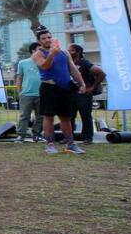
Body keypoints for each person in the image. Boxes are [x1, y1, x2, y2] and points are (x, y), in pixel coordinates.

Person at [31, 26, 85, 154]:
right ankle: (50, 144)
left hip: (65, 87)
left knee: (66, 117)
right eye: (44, 38)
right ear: (39, 41)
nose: (47, 40)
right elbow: (45, 66)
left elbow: (73, 69)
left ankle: (70, 144)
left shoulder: (64, 52)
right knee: (48, 116)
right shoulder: (37, 54)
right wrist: (51, 54)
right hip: (49, 87)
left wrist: (81, 82)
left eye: (49, 37)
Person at [67, 44, 105, 144]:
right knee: (69, 116)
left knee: (85, 116)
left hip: (83, 94)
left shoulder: (84, 63)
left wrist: (92, 87)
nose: (68, 52)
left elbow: (101, 73)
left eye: (71, 50)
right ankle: (69, 137)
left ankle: (88, 138)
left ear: (78, 52)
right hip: (71, 93)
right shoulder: (69, 63)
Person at [14, 42, 43, 142]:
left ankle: (36, 135)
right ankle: (21, 135)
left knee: (40, 116)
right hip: (26, 94)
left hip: (41, 94)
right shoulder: (23, 63)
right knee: (24, 116)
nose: (42, 51)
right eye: (40, 49)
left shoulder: (45, 62)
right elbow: (19, 77)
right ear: (33, 51)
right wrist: (19, 92)